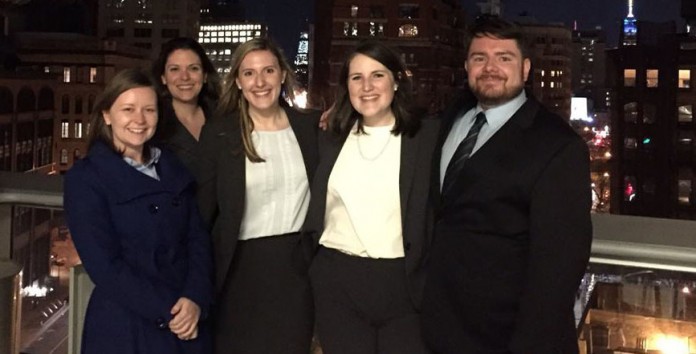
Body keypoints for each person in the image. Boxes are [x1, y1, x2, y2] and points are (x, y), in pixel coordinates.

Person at [420, 16, 593, 354]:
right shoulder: (454, 115)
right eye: (479, 57)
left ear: (525, 69)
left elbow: (558, 269)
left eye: (504, 57)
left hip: (505, 337)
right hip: (440, 326)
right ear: (467, 66)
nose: (490, 67)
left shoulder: (558, 146)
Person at [301, 40, 439, 354]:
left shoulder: (428, 137)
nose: (367, 86)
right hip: (337, 282)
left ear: (397, 80)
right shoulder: (329, 137)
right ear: (345, 86)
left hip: (404, 285)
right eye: (356, 77)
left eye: (377, 75)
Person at [63, 68, 213, 354]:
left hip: (188, 319)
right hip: (128, 325)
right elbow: (104, 267)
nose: (139, 120)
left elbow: (198, 240)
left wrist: (195, 297)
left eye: (149, 110)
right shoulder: (86, 178)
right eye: (128, 109)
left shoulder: (172, 167)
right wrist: (171, 310)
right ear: (107, 115)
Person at [196, 38, 319, 354]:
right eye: (249, 73)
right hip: (238, 272)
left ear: (282, 75)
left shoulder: (311, 128)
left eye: (268, 70)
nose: (260, 82)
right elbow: (201, 214)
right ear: (237, 81)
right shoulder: (220, 133)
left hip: (297, 271)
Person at [151, 37, 220, 175]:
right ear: (163, 78)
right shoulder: (153, 122)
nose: (184, 77)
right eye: (175, 69)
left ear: (205, 75)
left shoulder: (223, 116)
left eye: (193, 68)